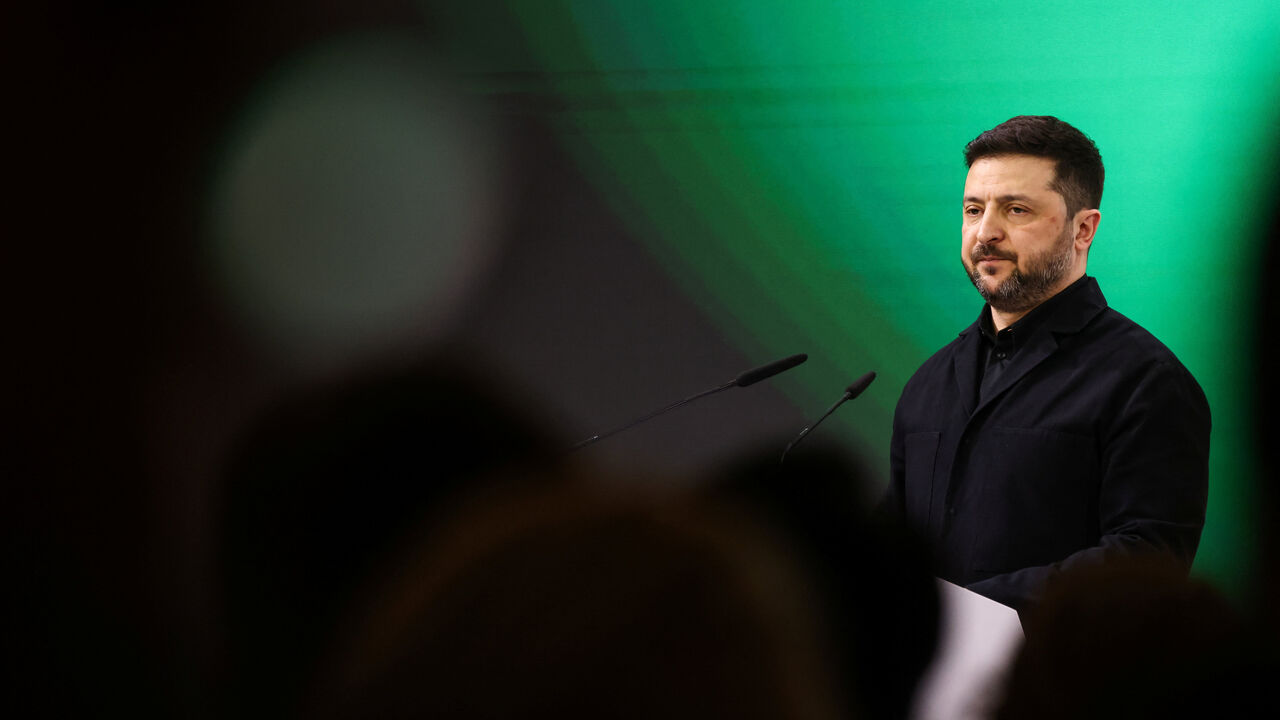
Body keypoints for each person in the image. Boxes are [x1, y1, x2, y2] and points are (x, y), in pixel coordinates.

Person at [883, 115, 1210, 614]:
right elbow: (897, 544)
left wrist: (974, 614)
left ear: (1084, 229)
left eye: (1015, 210)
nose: (985, 232)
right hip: (932, 687)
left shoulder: (1145, 380)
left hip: (1065, 684)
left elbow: (1148, 560)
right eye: (974, 209)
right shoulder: (928, 383)